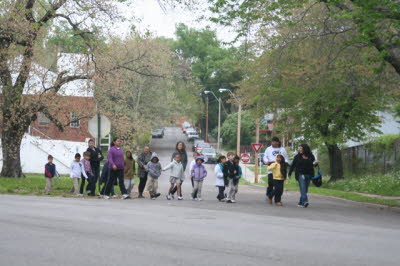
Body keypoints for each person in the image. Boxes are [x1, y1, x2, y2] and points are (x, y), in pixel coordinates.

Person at [289, 144, 316, 208]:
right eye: (299, 148)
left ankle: (300, 203)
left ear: (305, 149)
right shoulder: (297, 156)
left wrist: (315, 164)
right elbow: (293, 165)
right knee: (303, 188)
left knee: (305, 190)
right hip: (300, 174)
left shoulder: (311, 156)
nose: (299, 149)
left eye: (301, 148)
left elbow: (312, 164)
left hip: (309, 174)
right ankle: (305, 201)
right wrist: (289, 173)